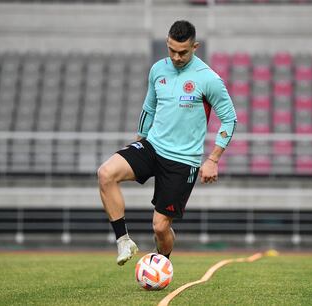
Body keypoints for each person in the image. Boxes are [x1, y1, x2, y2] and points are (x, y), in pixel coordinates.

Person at [98, 20, 237, 266]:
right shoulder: (158, 70)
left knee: (160, 228)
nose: (176, 56)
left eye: (183, 52)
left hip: (182, 161)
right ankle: (123, 242)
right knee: (106, 173)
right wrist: (139, 141)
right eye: (171, 50)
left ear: (195, 46)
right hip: (152, 146)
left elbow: (230, 119)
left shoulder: (209, 79)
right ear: (167, 43)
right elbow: (149, 107)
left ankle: (161, 264)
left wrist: (213, 159)